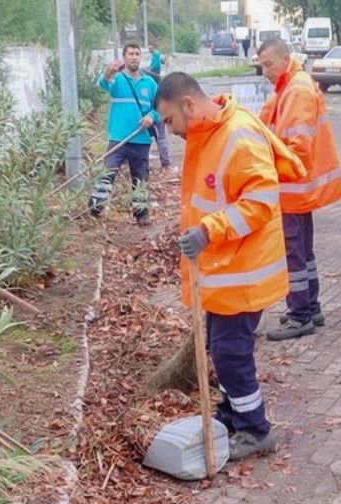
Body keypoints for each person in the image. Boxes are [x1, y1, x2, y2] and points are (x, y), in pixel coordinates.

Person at [156, 72, 306, 459]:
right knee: (221, 349)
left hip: (244, 272)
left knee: (230, 353)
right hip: (225, 269)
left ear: (188, 104)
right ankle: (233, 413)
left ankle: (255, 429)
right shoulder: (209, 135)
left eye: (170, 119)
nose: (170, 130)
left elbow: (260, 201)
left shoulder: (237, 134)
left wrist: (208, 230)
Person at [256, 37, 341, 341]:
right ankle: (311, 307)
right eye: (262, 66)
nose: (265, 72)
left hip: (291, 188)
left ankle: (300, 315)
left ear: (285, 59)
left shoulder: (295, 90)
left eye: (269, 64)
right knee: (303, 252)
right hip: (297, 188)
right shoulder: (292, 85)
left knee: (293, 254)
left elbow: (297, 147)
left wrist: (264, 169)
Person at [88, 43, 159, 226]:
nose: (134, 57)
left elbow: (160, 108)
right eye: (131, 54)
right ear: (124, 57)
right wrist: (110, 70)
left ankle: (141, 214)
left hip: (141, 139)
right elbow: (104, 81)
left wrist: (151, 116)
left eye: (137, 54)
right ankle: (95, 207)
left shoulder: (150, 83)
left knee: (140, 178)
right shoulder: (117, 80)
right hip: (118, 138)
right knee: (107, 172)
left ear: (141, 57)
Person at [146, 45, 171, 169]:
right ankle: (165, 163)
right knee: (161, 139)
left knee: (146, 138)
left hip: (152, 114)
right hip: (158, 113)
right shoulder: (160, 84)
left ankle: (145, 161)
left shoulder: (147, 84)